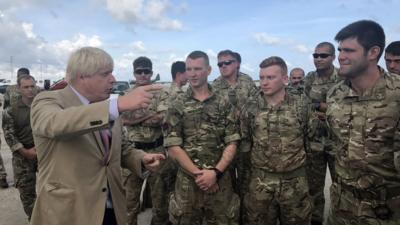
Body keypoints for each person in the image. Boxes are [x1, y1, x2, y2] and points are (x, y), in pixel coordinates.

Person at [29, 46, 165, 225]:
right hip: (72, 212)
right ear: (82, 76)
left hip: (110, 208)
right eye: (105, 74)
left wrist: (141, 158)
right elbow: (55, 123)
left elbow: (118, 149)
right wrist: (118, 105)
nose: (113, 79)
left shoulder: (105, 105)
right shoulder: (48, 100)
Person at [326, 20, 400, 225]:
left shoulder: (397, 94)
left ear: (373, 52)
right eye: (340, 50)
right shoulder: (335, 94)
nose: (340, 56)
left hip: (387, 212)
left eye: (349, 50)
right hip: (342, 207)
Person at [164, 50, 241, 225]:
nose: (192, 73)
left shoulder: (224, 102)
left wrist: (215, 173)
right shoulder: (177, 103)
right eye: (189, 69)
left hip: (220, 182)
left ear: (208, 70)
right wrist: (201, 176)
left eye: (197, 68)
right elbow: (173, 146)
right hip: (187, 185)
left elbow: (232, 140)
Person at [241, 56, 311, 225]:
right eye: (262, 77)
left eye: (270, 77)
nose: (264, 82)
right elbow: (246, 143)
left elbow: (310, 138)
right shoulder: (251, 107)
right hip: (261, 183)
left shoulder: (301, 105)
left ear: (285, 79)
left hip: (294, 183)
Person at [121, 56, 171, 225]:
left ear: (151, 72)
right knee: (129, 203)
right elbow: (122, 119)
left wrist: (133, 116)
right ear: (134, 73)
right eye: (139, 71)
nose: (142, 75)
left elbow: (163, 118)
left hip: (156, 151)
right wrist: (150, 114)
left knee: (160, 202)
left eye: (146, 71)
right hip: (131, 154)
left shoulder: (161, 92)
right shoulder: (126, 95)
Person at [303, 41, 342, 225]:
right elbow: (301, 106)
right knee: (314, 189)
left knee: (342, 188)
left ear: (333, 57)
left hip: (338, 143)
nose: (318, 59)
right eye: (315, 56)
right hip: (315, 143)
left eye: (323, 55)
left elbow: (347, 107)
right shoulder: (309, 79)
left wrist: (320, 106)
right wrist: (323, 108)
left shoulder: (343, 77)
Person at [2, 75, 38, 219]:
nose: (30, 90)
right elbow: (9, 135)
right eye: (26, 87)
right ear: (19, 89)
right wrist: (26, 152)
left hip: (43, 152)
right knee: (27, 192)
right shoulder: (11, 110)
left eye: (32, 86)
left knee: (53, 187)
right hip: (22, 155)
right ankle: (35, 220)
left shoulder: (42, 106)